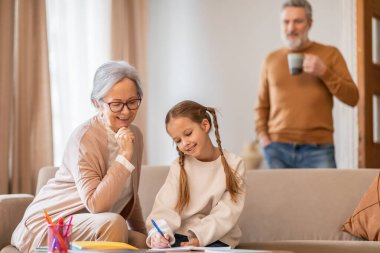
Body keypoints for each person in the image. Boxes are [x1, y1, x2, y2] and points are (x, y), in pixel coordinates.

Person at [11, 61, 147, 252]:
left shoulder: (135, 135)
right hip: (52, 226)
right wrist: (124, 157)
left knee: (140, 241)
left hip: (92, 226)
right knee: (114, 223)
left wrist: (148, 238)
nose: (126, 111)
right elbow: (96, 205)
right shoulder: (84, 138)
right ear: (96, 103)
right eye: (116, 104)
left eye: (132, 102)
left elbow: (129, 192)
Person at [255, 0, 359, 169]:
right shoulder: (270, 59)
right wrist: (263, 137)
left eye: (298, 21)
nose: (291, 28)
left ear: (310, 24)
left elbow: (353, 98)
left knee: (326, 196)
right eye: (286, 22)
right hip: (277, 149)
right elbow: (261, 105)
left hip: (319, 150)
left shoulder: (330, 54)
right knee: (281, 197)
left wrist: (324, 72)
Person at [145, 100, 246, 249]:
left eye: (188, 134)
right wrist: (158, 235)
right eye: (178, 140)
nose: (184, 143)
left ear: (205, 125)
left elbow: (227, 213)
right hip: (180, 238)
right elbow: (165, 209)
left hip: (219, 239)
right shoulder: (179, 167)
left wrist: (200, 237)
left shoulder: (234, 164)